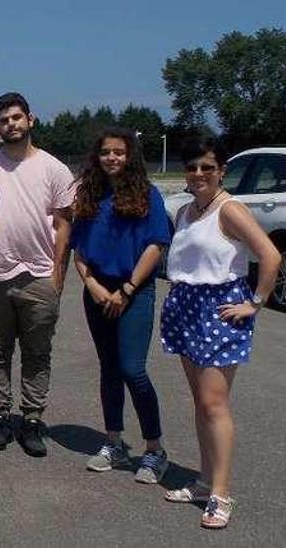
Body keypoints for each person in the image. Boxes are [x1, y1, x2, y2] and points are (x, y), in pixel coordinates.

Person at [159, 137, 280, 529]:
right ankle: (203, 481)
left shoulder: (230, 209)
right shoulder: (188, 212)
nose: (198, 174)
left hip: (219, 311)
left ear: (221, 170)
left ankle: (221, 493)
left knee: (215, 404)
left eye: (207, 167)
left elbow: (271, 255)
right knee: (201, 403)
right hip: (187, 307)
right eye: (192, 167)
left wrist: (255, 302)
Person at [0, 92, 76, 457]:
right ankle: (0, 416)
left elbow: (64, 224)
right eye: (4, 120)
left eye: (17, 118)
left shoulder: (55, 169)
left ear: (30, 120)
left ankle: (32, 420)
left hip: (39, 275)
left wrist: (57, 274)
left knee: (36, 352)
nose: (11, 124)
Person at [70, 128, 173, 482]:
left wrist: (127, 289)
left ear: (129, 157)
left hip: (135, 291)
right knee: (109, 369)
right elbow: (79, 253)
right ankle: (113, 442)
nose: (112, 158)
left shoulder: (148, 195)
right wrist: (95, 286)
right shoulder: (89, 196)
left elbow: (157, 245)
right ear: (96, 158)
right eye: (105, 153)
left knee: (133, 369)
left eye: (119, 152)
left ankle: (154, 450)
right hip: (98, 291)